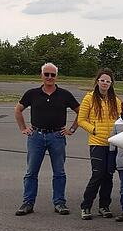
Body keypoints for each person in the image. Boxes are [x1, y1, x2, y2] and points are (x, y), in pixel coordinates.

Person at [14, 63, 80, 216]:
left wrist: (71, 129)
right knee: (31, 172)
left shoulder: (64, 94)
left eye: (52, 75)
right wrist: (23, 128)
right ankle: (28, 203)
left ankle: (59, 203)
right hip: (36, 137)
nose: (49, 77)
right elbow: (18, 110)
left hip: (57, 137)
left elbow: (80, 111)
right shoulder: (32, 93)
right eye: (47, 74)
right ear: (41, 75)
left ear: (57, 76)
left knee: (59, 172)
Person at [78, 69, 121, 220]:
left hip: (112, 144)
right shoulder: (89, 98)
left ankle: (104, 206)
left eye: (108, 81)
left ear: (111, 84)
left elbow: (120, 120)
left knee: (108, 175)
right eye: (102, 80)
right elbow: (81, 120)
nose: (105, 83)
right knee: (98, 174)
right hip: (97, 142)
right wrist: (94, 130)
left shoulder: (115, 100)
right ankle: (86, 206)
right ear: (97, 81)